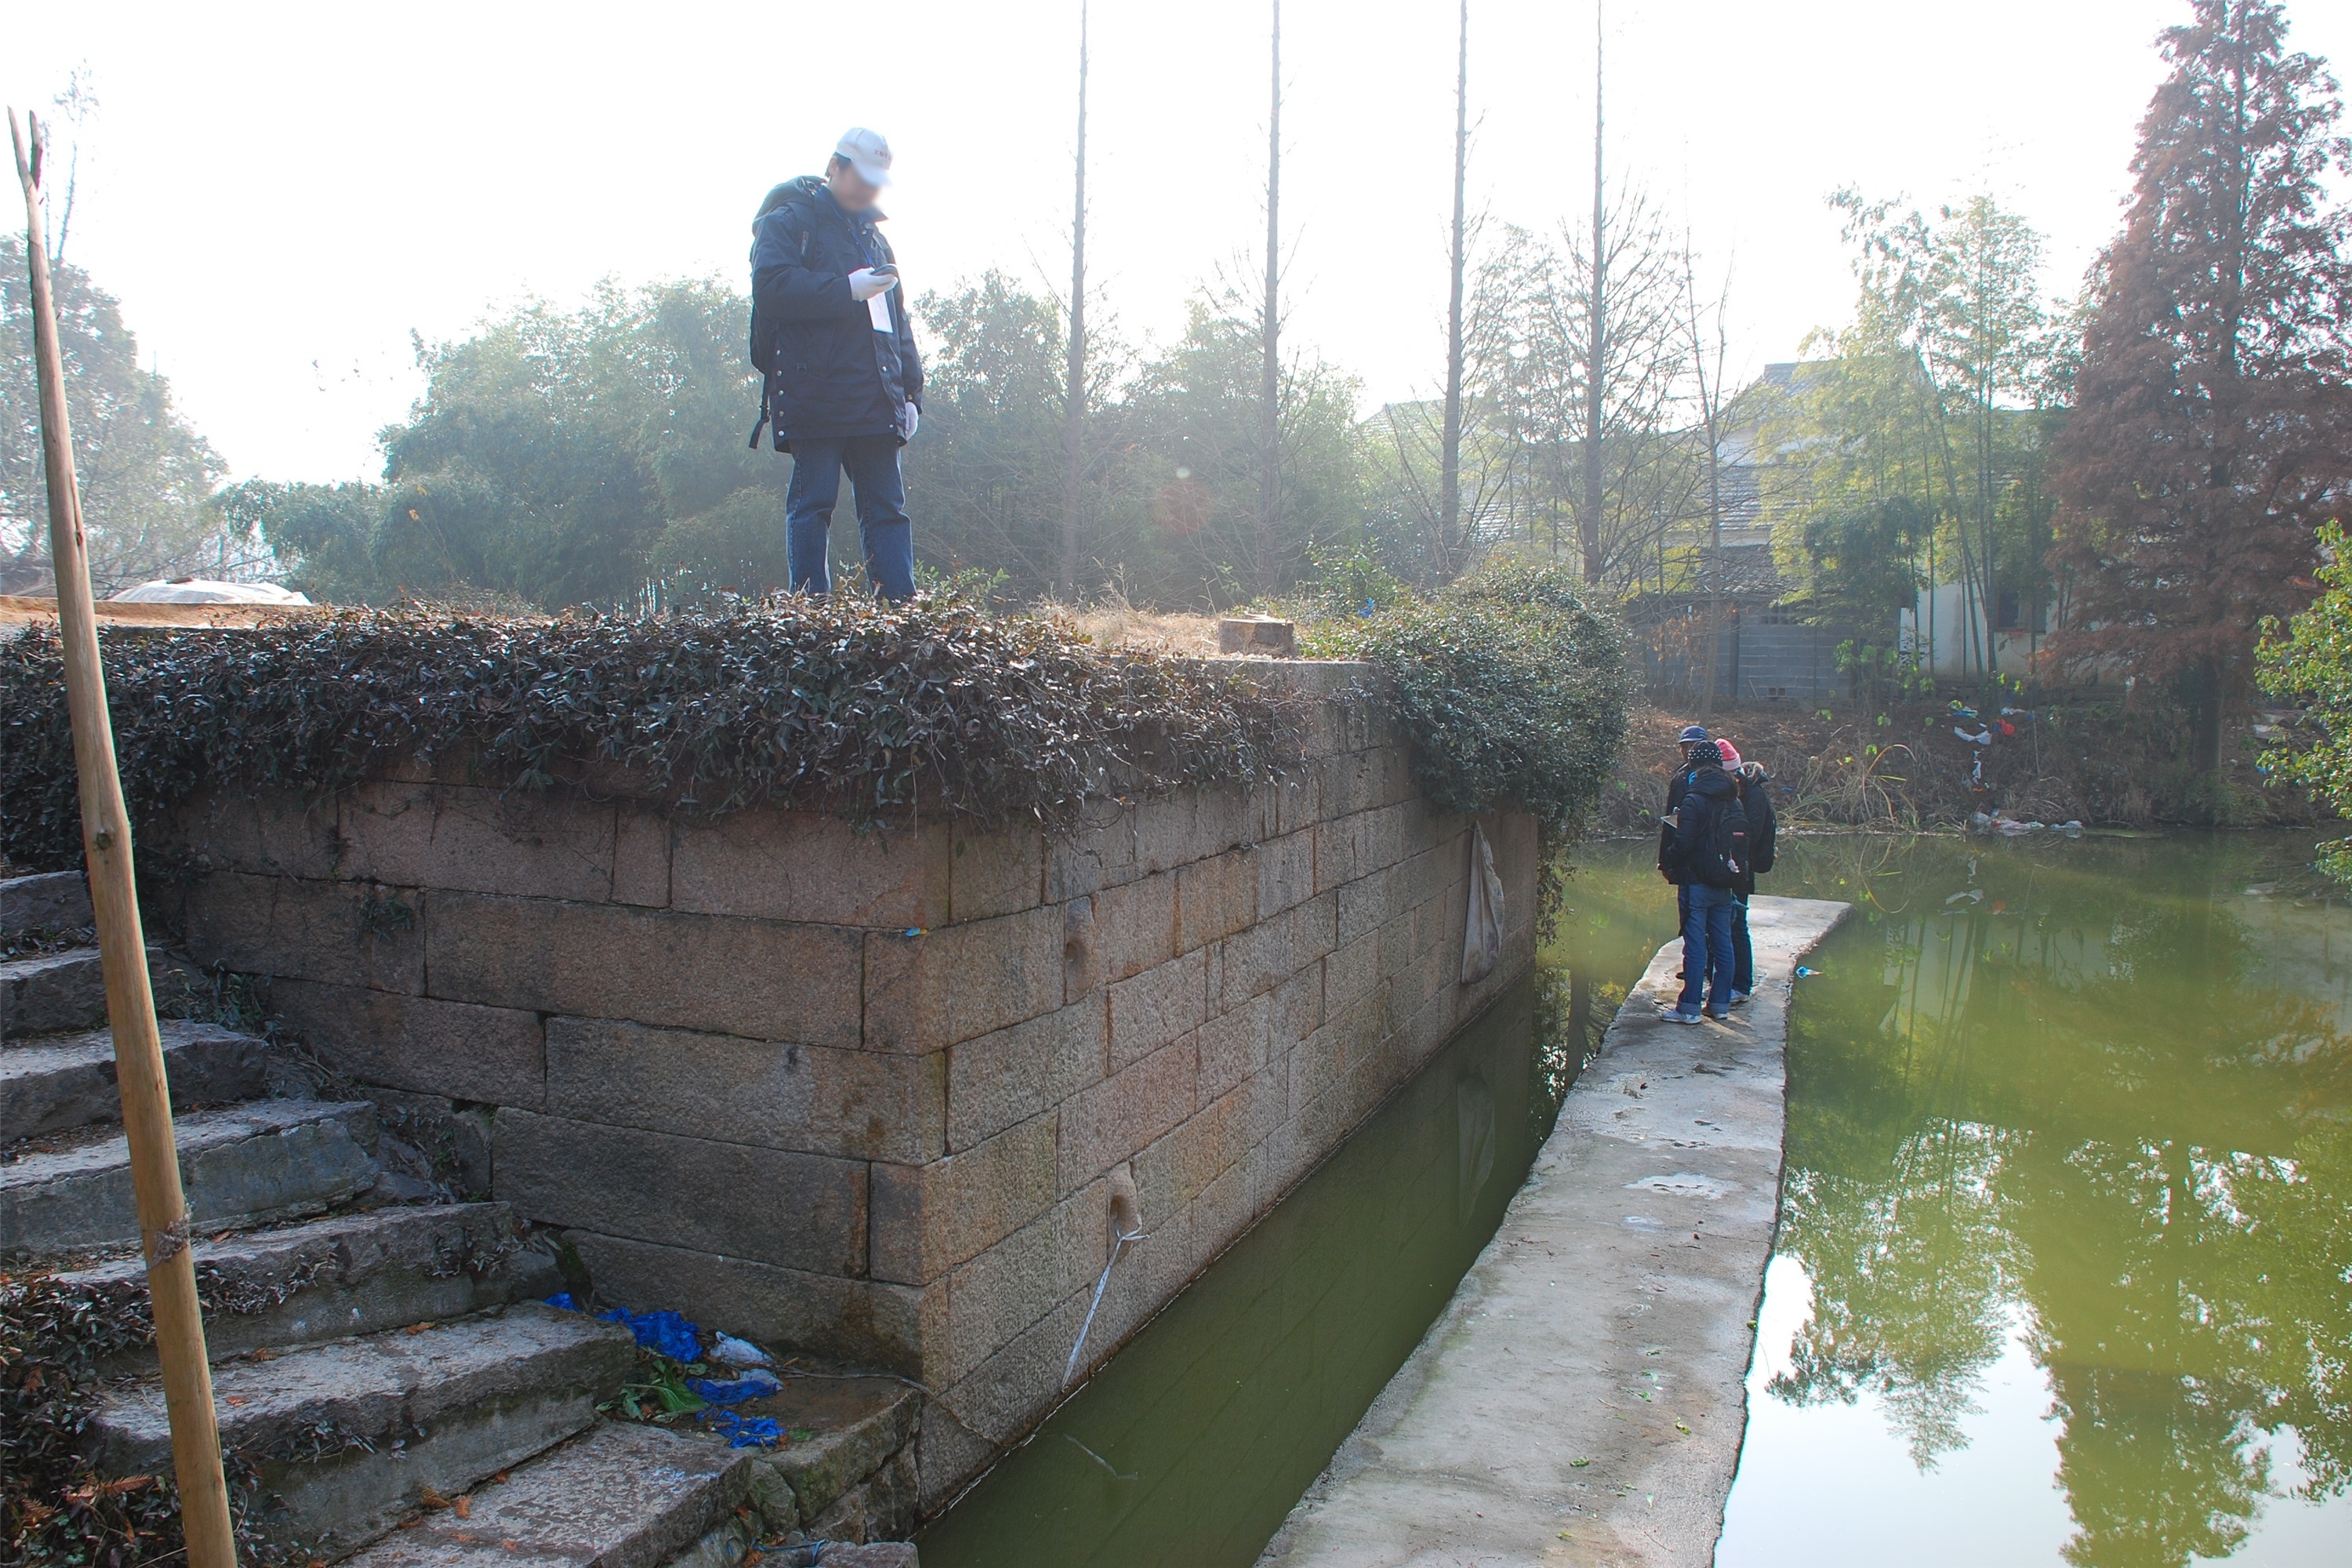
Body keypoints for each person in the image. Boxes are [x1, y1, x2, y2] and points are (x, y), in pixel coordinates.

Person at [748, 127, 924, 602]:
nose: (867, 188)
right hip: (813, 393)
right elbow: (770, 289)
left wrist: (912, 394)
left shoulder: (876, 240)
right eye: (861, 176)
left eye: (876, 180)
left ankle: (900, 616)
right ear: (835, 166)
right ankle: (811, 616)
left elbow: (898, 321)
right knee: (813, 505)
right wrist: (844, 289)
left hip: (875, 397)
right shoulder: (789, 222)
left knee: (887, 510)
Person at [1659, 739, 1743, 1022]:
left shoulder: (1694, 799)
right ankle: (1720, 1006)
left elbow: (1684, 842)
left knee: (1695, 945)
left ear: (1694, 765)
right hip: (1724, 880)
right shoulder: (1734, 798)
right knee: (1723, 943)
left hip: (1696, 881)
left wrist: (1669, 859)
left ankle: (1689, 1008)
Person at [1728, 759, 1777, 1004]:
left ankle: (1741, 985)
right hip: (1735, 868)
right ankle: (1729, 981)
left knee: (1737, 927)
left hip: (1743, 871)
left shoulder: (1755, 796)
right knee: (1729, 926)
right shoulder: (1746, 794)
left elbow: (1752, 833)